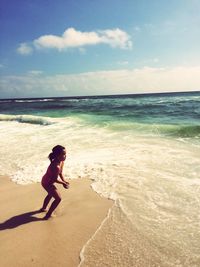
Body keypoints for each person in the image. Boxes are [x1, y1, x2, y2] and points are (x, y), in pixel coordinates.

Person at [40, 145, 69, 220]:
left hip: (48, 180)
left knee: (50, 194)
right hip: (46, 182)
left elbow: (60, 173)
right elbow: (55, 179)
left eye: (65, 154)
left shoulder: (61, 162)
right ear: (57, 156)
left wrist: (64, 180)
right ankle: (48, 215)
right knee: (58, 198)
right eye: (63, 154)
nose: (65, 156)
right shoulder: (55, 166)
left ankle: (43, 208)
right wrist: (63, 183)